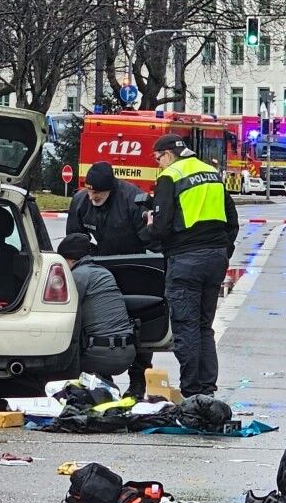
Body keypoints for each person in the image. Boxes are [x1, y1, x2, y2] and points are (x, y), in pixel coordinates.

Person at [145, 134, 238, 398]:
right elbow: (232, 220)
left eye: (157, 158)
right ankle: (207, 389)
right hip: (215, 259)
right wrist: (223, 250)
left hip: (186, 260)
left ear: (168, 154)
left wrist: (149, 225)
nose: (158, 164)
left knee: (186, 327)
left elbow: (161, 228)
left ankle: (192, 391)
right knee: (203, 326)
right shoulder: (211, 173)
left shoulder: (170, 176)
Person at [66, 161, 152, 398]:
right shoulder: (82, 201)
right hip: (99, 265)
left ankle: (138, 379)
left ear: (111, 189)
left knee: (137, 323)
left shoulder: (132, 199)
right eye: (91, 191)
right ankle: (102, 378)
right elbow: (74, 240)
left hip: (132, 264)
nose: (94, 196)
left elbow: (151, 240)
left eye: (99, 193)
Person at [57, 233, 136, 382]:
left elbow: (62, 312)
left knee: (58, 366)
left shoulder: (77, 276)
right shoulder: (104, 273)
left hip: (102, 354)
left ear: (71, 260)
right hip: (128, 351)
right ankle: (107, 390)